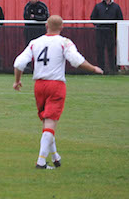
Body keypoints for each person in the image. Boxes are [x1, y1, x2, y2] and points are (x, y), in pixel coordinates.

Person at [13, 15, 103, 169]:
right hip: (56, 85)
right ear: (62, 28)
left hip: (39, 85)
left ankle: (55, 157)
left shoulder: (35, 42)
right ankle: (41, 162)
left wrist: (17, 80)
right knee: (50, 122)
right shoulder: (64, 42)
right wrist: (93, 68)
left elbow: (19, 62)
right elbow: (76, 60)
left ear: (46, 25)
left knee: (47, 122)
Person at [90, 0, 123, 71]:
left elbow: (120, 19)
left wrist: (115, 28)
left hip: (111, 32)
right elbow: (92, 17)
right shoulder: (98, 6)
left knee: (111, 50)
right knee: (100, 49)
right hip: (100, 31)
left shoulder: (116, 7)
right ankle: (101, 68)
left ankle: (112, 68)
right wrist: (98, 25)